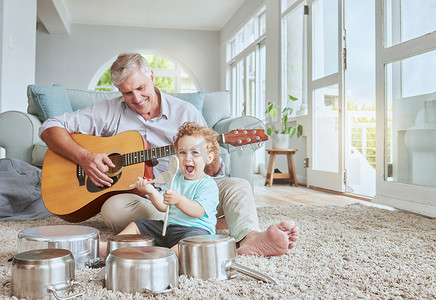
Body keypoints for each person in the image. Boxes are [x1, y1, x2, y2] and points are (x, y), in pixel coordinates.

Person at [39, 52, 298, 256]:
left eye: (141, 88)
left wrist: (213, 157)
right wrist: (85, 157)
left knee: (238, 186)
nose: (137, 98)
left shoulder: (185, 112)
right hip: (147, 197)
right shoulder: (109, 110)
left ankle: (251, 239)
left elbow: (212, 174)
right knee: (113, 210)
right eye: (127, 93)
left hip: (190, 190)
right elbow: (50, 127)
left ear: (152, 76)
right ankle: (202, 227)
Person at [103, 121, 219, 257]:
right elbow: (163, 207)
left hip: (195, 231)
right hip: (168, 229)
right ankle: (111, 247)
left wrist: (179, 200)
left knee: (189, 245)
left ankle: (164, 259)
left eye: (195, 153)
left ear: (209, 158)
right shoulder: (175, 178)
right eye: (182, 152)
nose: (187, 158)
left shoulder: (208, 185)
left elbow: (198, 211)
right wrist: (150, 191)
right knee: (137, 225)